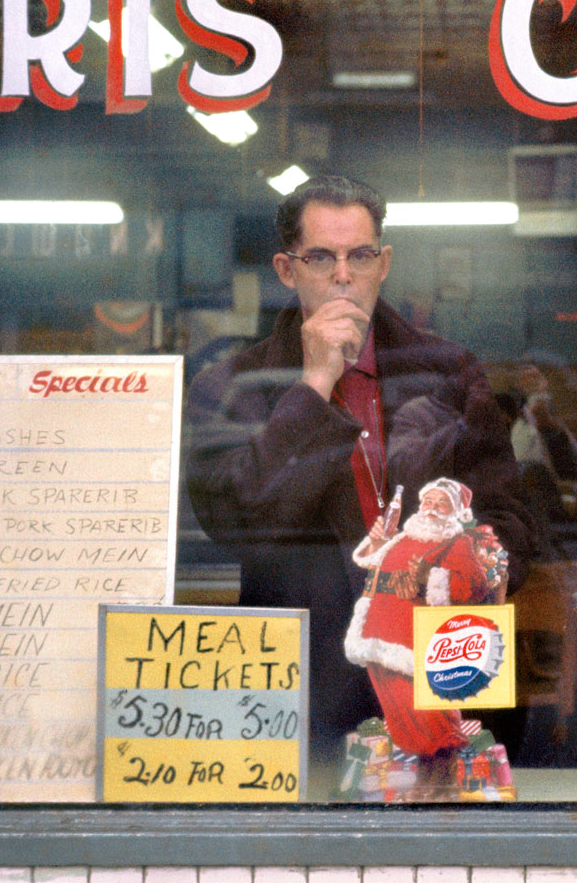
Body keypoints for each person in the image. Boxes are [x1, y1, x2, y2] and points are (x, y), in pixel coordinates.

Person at [184, 175, 533, 755]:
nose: (343, 274)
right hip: (300, 693)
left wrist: (449, 582)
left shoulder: (447, 372)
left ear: (384, 263)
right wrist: (315, 383)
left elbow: (511, 524)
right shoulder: (232, 385)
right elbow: (239, 523)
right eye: (321, 257)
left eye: (360, 255)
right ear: (286, 270)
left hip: (440, 674)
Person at [345, 478, 506, 759]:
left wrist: (427, 577)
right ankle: (415, 771)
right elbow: (370, 561)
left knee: (432, 718)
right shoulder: (402, 536)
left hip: (413, 639)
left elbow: (473, 586)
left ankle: (440, 770)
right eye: (428, 502)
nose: (432, 509)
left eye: (441, 503)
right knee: (394, 707)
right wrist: (374, 542)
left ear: (453, 511)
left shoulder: (457, 542)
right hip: (376, 632)